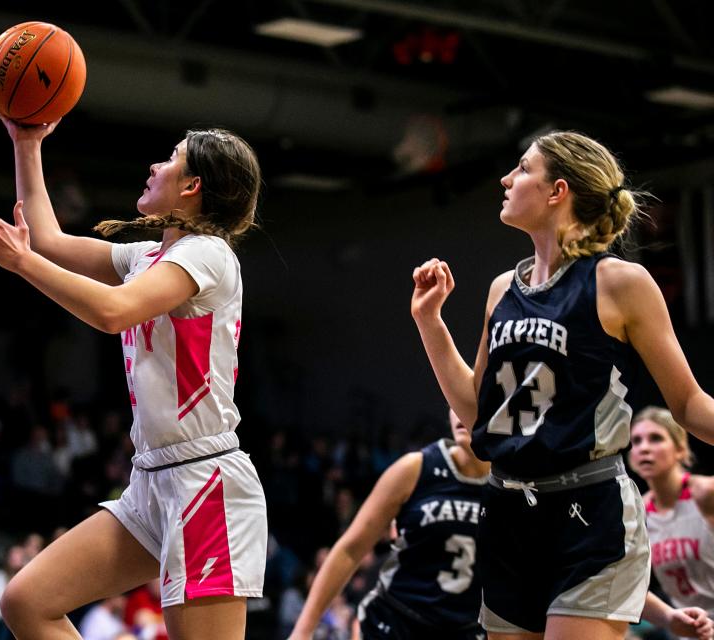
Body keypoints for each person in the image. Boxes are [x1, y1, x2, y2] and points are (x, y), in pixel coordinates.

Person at [0, 109, 267, 640]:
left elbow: (112, 312)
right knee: (27, 602)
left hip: (205, 482)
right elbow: (48, 240)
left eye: (170, 160)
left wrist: (21, 263)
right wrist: (27, 143)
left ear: (192, 187)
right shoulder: (146, 256)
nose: (154, 165)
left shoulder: (208, 255)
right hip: (152, 482)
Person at [410, 130, 714, 639]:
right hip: (508, 512)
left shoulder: (620, 282)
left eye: (523, 168)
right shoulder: (502, 289)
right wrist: (430, 323)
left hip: (590, 511)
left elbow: (688, 403)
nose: (506, 179)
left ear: (558, 191)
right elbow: (477, 412)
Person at [288, 411, 489, 640]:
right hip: (395, 622)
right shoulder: (415, 468)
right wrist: (303, 631)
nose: (460, 412)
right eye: (454, 402)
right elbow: (350, 549)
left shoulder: (511, 484)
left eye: (473, 396)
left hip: (467, 629)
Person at [631, 407, 714, 613]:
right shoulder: (636, 513)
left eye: (656, 438)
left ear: (680, 449)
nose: (644, 448)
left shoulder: (705, 492)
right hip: (690, 627)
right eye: (636, 441)